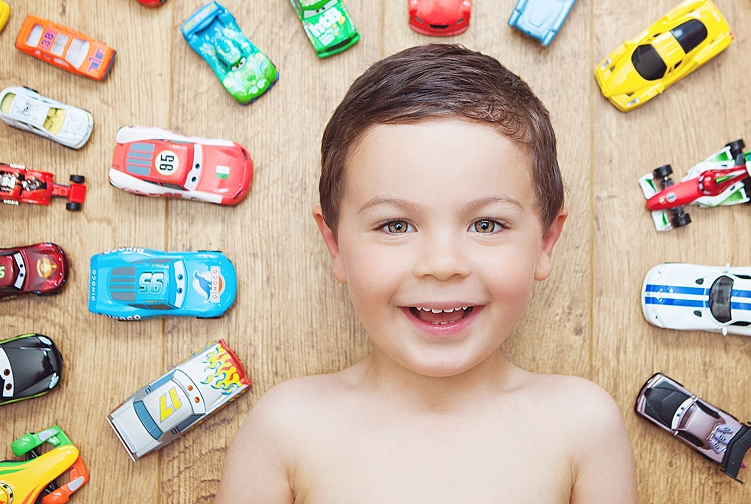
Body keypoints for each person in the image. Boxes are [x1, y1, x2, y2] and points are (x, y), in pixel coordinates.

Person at [216, 44, 638, 503]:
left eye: (486, 224)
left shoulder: (582, 426)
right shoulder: (285, 429)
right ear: (335, 243)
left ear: (546, 242)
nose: (442, 265)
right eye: (395, 225)